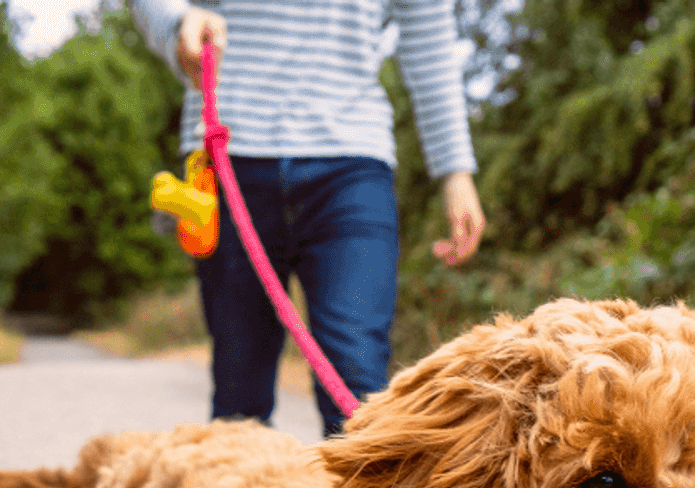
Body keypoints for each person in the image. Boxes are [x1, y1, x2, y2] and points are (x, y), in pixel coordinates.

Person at [132, 0, 486, 436]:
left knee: (357, 376)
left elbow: (428, 37)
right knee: (239, 391)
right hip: (228, 152)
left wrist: (455, 171)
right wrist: (177, 21)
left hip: (352, 162)